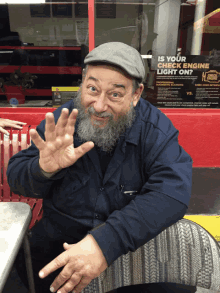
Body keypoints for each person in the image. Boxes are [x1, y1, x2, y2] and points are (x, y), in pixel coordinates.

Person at [7, 42, 194, 293]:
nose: (99, 105)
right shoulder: (64, 121)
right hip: (58, 242)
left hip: (130, 246)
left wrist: (105, 242)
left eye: (115, 94)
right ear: (82, 83)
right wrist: (43, 169)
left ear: (136, 95)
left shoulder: (155, 129)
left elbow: (173, 193)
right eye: (92, 89)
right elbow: (16, 177)